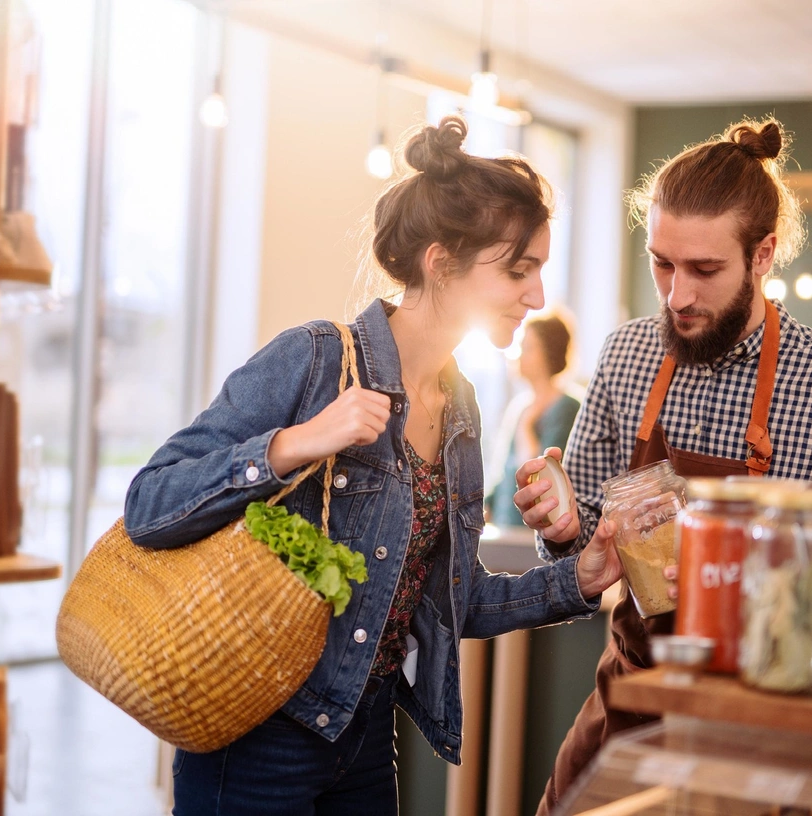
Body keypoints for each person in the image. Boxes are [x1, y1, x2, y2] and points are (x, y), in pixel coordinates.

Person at [122, 115, 622, 816]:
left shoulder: (461, 410)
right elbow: (149, 503)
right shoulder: (316, 359)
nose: (537, 295)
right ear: (441, 263)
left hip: (363, 740)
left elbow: (455, 600)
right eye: (519, 270)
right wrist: (292, 445)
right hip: (256, 741)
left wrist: (577, 579)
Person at [512, 118, 812, 815]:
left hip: (770, 726)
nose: (677, 295)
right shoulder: (628, 356)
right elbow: (588, 535)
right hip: (635, 701)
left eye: (705, 270)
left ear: (764, 254)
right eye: (662, 262)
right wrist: (566, 526)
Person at [486, 311, 581, 526]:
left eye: (528, 348)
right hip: (505, 530)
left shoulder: (566, 409)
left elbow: (539, 478)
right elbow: (504, 476)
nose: (518, 355)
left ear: (549, 353)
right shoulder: (520, 407)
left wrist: (527, 427)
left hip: (533, 534)